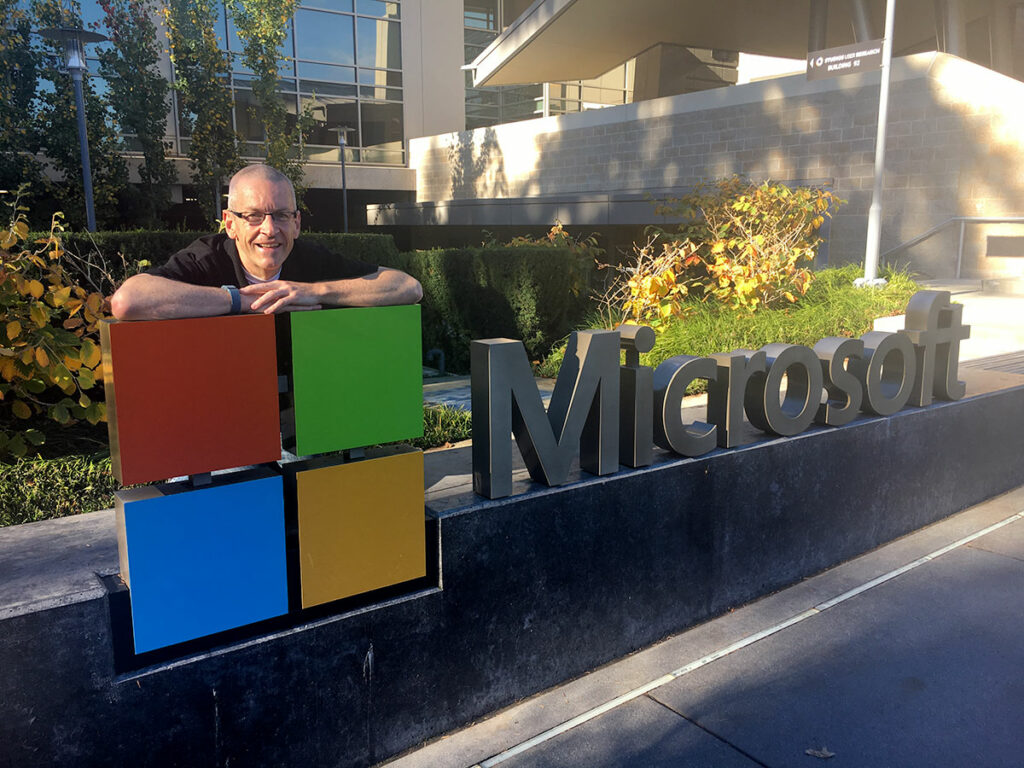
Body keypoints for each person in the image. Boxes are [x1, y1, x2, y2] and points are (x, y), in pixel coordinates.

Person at [110, 164, 422, 320]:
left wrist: (311, 291)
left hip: (303, 417)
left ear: (297, 223)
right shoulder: (207, 258)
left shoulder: (311, 260)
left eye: (282, 215)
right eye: (254, 216)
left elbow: (407, 287)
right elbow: (128, 301)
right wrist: (243, 301)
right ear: (230, 223)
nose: (270, 229)